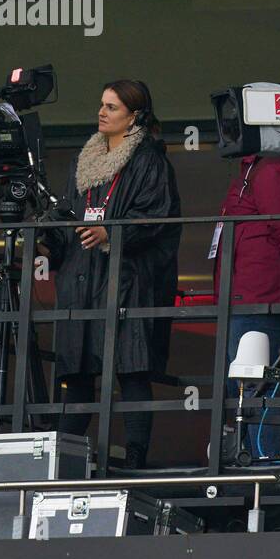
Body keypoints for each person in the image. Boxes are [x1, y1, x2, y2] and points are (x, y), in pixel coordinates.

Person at [43, 80, 181, 470]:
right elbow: (68, 214)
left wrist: (113, 231)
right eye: (101, 105)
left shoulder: (150, 161)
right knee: (79, 374)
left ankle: (135, 460)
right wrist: (47, 244)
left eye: (112, 107)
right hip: (82, 279)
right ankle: (61, 462)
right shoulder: (83, 158)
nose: (101, 113)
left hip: (127, 281)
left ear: (134, 116)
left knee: (132, 370)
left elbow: (158, 218)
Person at [212, 153, 280, 458]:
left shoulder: (273, 168)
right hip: (260, 295)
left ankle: (265, 467)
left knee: (255, 386)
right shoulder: (267, 166)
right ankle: (256, 463)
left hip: (262, 298)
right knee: (251, 386)